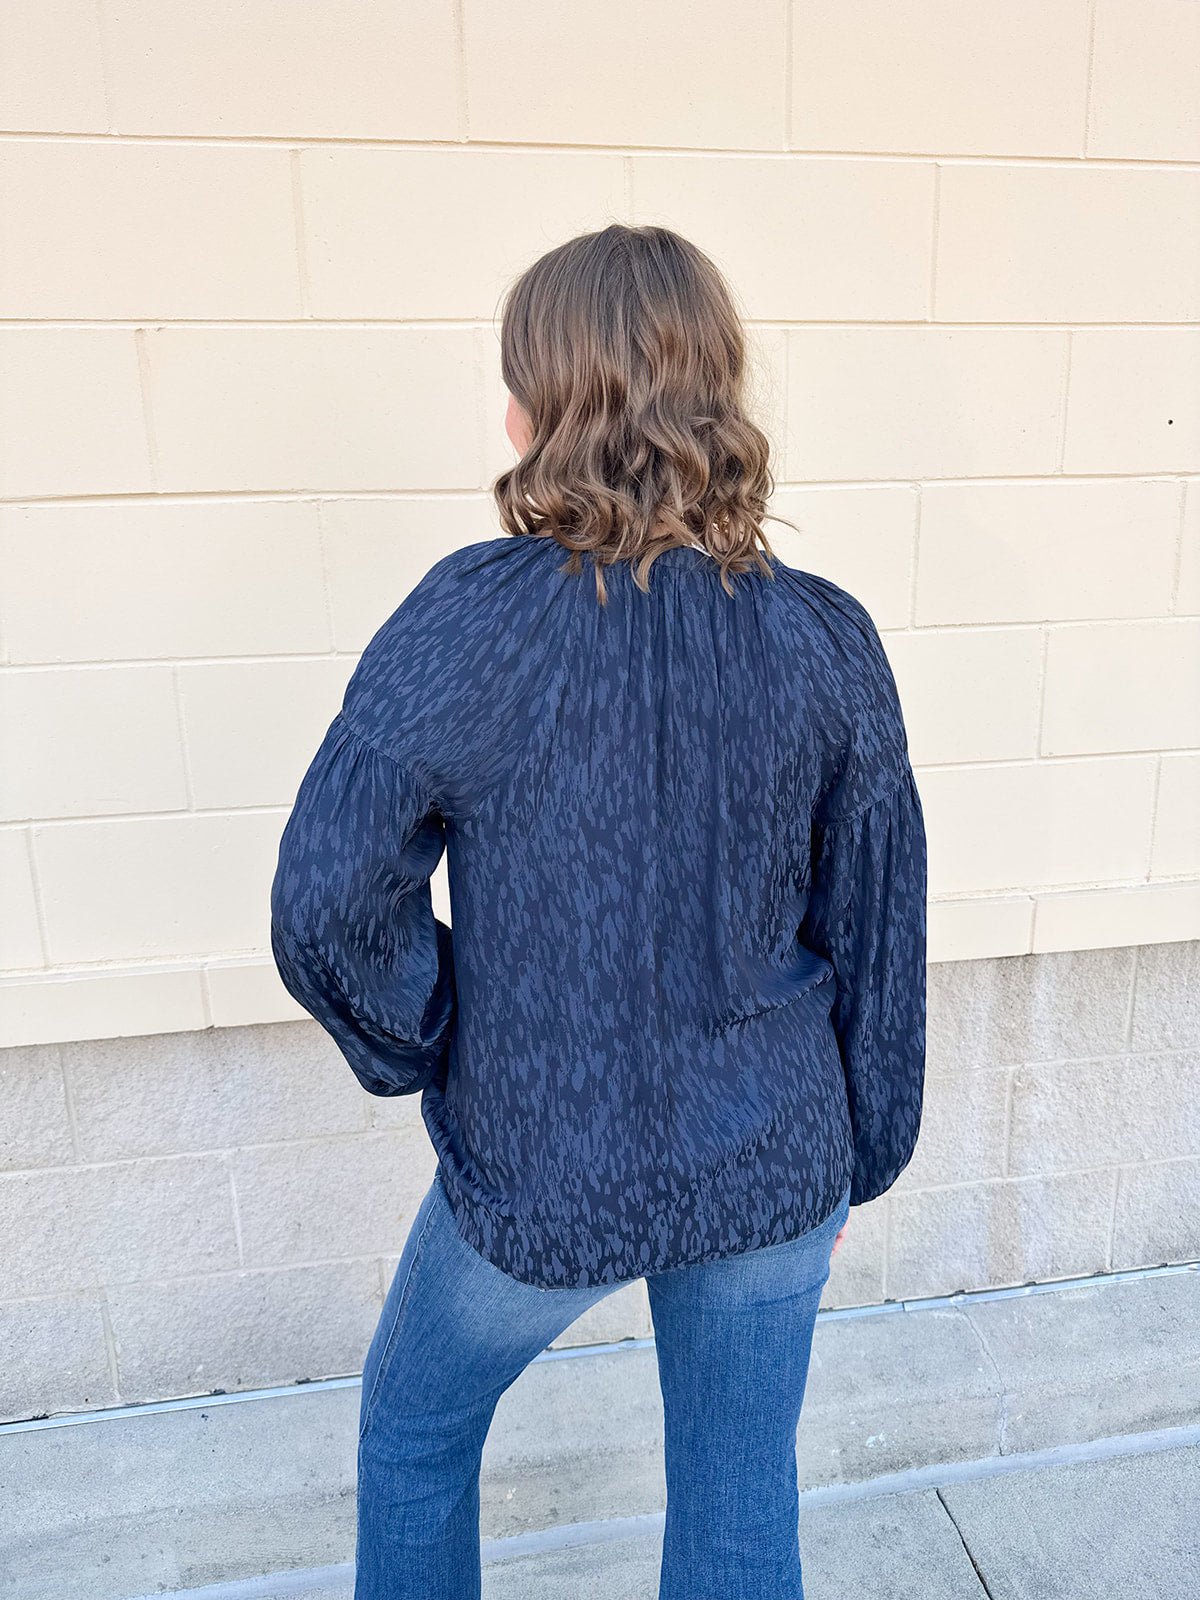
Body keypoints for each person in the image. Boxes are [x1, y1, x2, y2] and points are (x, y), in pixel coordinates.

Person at [269, 223, 927, 1600]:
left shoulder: (468, 622)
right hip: (771, 1153)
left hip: (542, 1163)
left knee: (412, 1439)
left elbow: (327, 897)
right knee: (741, 1503)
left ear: (543, 410)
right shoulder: (826, 638)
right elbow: (882, 930)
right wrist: (858, 1157)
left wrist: (438, 1029)